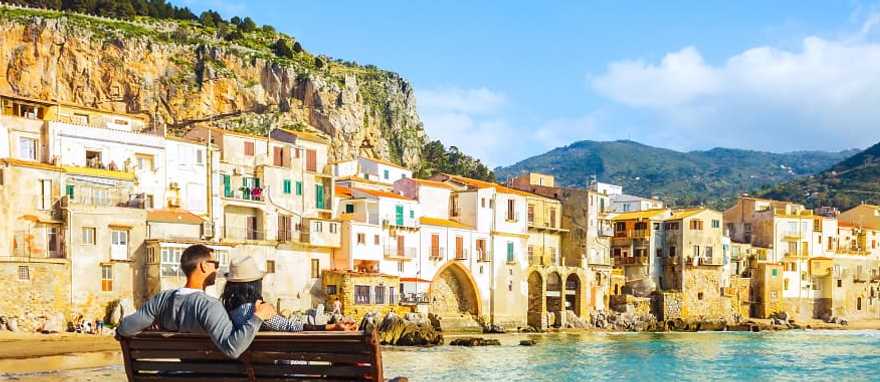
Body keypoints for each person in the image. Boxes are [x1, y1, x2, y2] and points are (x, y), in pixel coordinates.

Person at [117, 245, 276, 359]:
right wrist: (258, 317)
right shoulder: (210, 306)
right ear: (204, 266)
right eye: (216, 265)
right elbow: (232, 349)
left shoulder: (162, 299)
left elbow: (125, 328)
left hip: (178, 372)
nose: (217, 270)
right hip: (206, 375)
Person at [221, 256, 357, 332]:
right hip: (273, 369)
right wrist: (332, 326)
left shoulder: (227, 310)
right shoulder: (256, 310)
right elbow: (289, 326)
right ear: (255, 285)